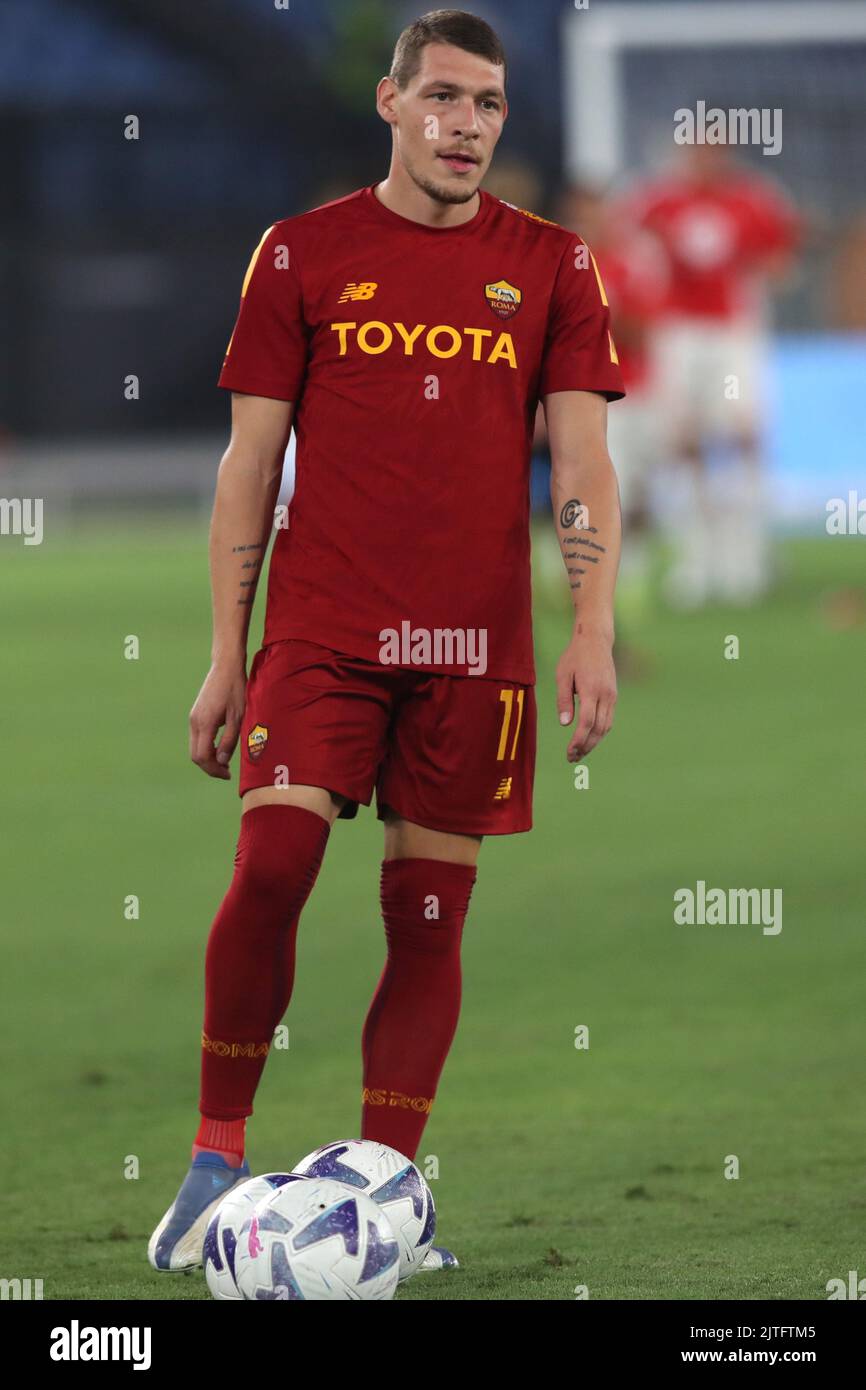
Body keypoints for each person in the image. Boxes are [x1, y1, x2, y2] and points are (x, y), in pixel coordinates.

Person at [148, 8, 624, 1277]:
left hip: (475, 647)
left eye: (489, 105)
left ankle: (389, 1198)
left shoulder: (555, 266)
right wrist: (222, 651)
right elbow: (247, 469)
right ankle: (212, 1160)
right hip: (323, 627)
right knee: (274, 863)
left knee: (427, 920)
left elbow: (579, 457)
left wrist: (591, 625)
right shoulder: (301, 254)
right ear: (391, 102)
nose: (466, 125)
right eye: (446, 99)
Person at [622, 144, 798, 606]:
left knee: (743, 439)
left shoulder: (753, 199)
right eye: (698, 150)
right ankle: (695, 561)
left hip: (733, 330)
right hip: (677, 334)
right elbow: (631, 252)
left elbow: (782, 260)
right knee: (683, 443)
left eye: (715, 151)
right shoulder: (657, 201)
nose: (706, 160)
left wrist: (752, 271)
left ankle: (745, 556)